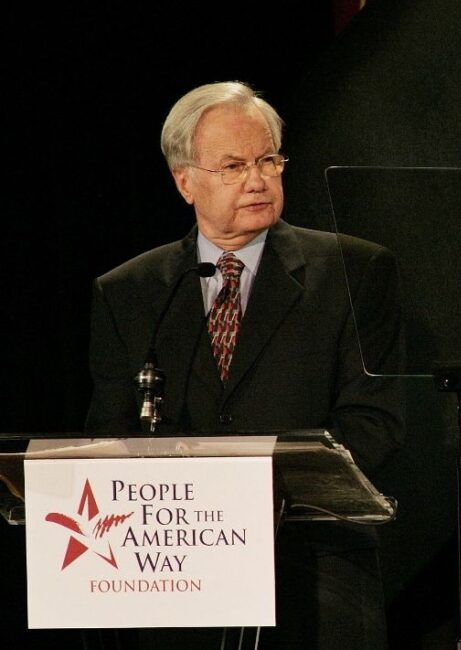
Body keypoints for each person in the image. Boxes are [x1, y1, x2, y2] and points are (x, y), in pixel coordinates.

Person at [86, 81, 403, 649]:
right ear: (185, 181)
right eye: (233, 166)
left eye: (268, 160)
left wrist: (249, 502)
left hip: (313, 580)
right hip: (174, 588)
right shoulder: (128, 292)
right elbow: (111, 436)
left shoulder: (355, 272)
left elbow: (373, 423)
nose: (257, 180)